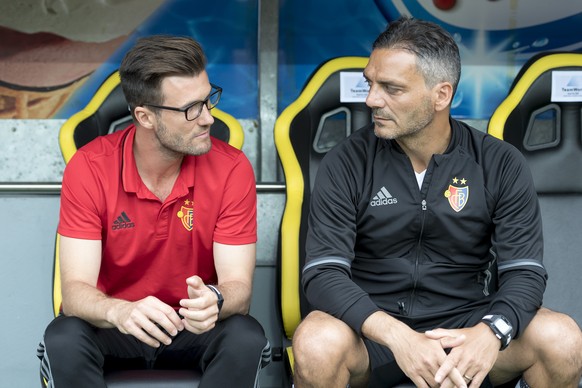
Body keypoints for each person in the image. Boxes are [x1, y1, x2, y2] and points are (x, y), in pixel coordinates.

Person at [292, 17, 582, 388]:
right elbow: (322, 274)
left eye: (391, 88)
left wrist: (491, 332)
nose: (371, 100)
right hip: (374, 335)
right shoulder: (347, 161)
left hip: (467, 328)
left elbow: (525, 273)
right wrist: (399, 338)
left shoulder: (499, 163)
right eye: (370, 83)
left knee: (561, 337)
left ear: (441, 95)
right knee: (316, 341)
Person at [38, 35, 270, 387]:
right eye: (192, 108)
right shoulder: (88, 167)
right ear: (145, 116)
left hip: (191, 327)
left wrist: (217, 300)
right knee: (64, 336)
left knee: (245, 335)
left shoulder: (232, 167)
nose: (208, 118)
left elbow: (238, 286)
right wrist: (120, 310)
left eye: (209, 100)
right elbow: (75, 293)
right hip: (117, 325)